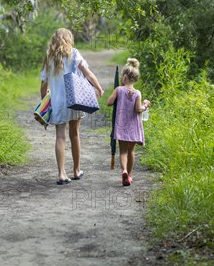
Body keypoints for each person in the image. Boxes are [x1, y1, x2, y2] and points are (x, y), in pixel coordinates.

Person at [40, 28, 104, 185]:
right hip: (75, 99)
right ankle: (76, 170)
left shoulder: (49, 58)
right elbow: (88, 74)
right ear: (69, 39)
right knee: (74, 134)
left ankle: (61, 174)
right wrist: (98, 87)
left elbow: (43, 84)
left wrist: (45, 102)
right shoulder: (74, 54)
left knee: (60, 136)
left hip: (58, 103)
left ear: (54, 40)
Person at [106, 58, 150, 186]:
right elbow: (138, 109)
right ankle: (129, 175)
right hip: (133, 127)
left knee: (123, 151)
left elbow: (109, 103)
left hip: (121, 125)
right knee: (131, 151)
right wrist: (146, 105)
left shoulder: (118, 90)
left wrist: (116, 97)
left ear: (124, 77)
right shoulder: (137, 93)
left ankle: (123, 170)